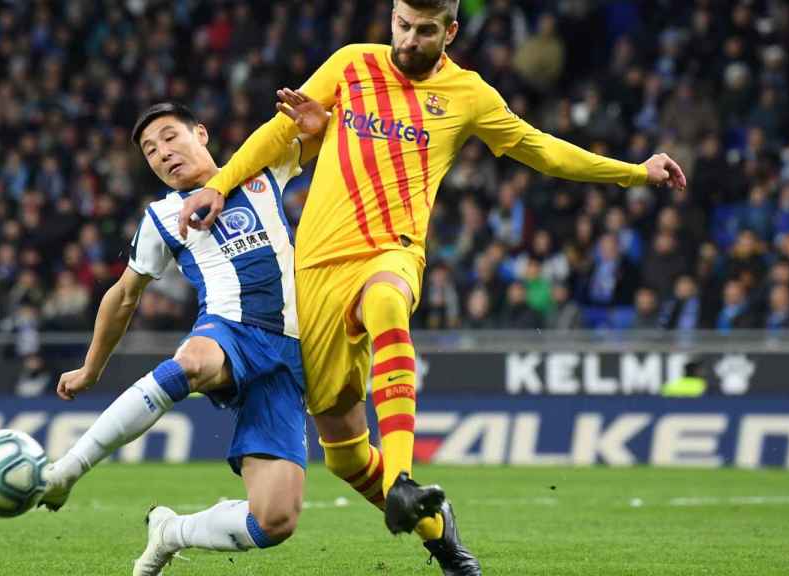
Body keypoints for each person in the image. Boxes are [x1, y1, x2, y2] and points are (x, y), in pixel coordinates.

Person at [178, 1, 688, 573]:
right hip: (316, 271)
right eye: (402, 26)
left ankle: (402, 477)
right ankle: (437, 530)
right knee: (345, 457)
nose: (410, 40)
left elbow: (542, 149)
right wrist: (219, 186)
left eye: (425, 31)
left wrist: (635, 172)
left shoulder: (469, 95)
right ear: (392, 18)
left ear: (450, 31)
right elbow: (280, 134)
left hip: (391, 253)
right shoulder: (350, 65)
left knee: (388, 301)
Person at [40, 102, 325, 576]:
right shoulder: (162, 217)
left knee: (274, 521)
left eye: (170, 138)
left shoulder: (260, 171)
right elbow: (124, 295)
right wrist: (92, 367)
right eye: (151, 151)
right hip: (227, 330)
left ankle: (172, 532)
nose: (162, 154)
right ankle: (68, 469)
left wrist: (323, 128)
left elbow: (329, 145)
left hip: (289, 360)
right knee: (194, 361)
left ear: (201, 133)